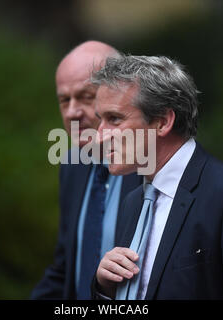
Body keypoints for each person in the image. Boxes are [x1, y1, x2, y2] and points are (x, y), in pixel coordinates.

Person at [91, 54, 223, 299]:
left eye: (114, 119)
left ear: (163, 122)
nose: (100, 136)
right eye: (100, 120)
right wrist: (105, 289)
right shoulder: (133, 202)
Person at [30, 42, 142, 299]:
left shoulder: (151, 167)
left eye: (86, 97)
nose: (71, 112)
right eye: (64, 100)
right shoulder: (73, 166)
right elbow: (65, 270)